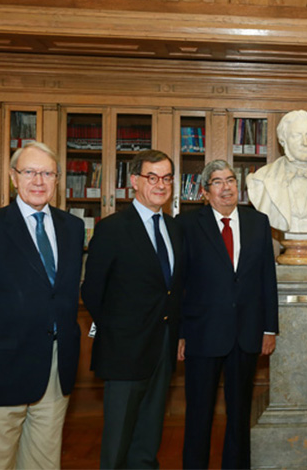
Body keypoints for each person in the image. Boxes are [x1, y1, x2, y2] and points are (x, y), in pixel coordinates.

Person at [0, 142, 84, 469]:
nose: (39, 180)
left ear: (57, 180)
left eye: (47, 173)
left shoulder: (73, 228)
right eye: (30, 172)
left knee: (43, 464)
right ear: (13, 177)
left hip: (54, 372)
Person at [81, 149, 184, 469]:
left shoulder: (175, 228)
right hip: (124, 350)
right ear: (135, 181)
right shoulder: (112, 228)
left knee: (148, 436)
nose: (161, 185)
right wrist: (117, 332)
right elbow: (92, 290)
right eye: (152, 177)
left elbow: (175, 289)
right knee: (118, 440)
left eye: (167, 178)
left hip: (163, 347)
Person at [177, 159, 279, 469]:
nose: (227, 187)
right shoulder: (187, 225)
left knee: (239, 415)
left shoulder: (257, 222)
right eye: (218, 182)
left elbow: (266, 279)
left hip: (246, 334)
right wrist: (179, 332)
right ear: (205, 192)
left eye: (231, 180)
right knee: (199, 414)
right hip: (202, 333)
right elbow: (179, 282)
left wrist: (269, 329)